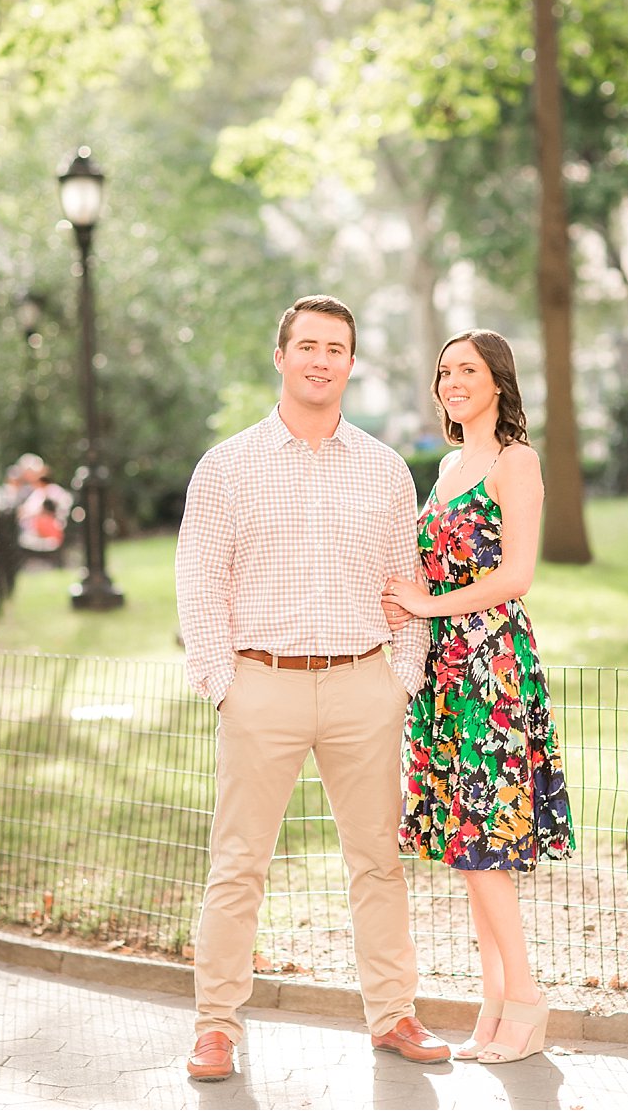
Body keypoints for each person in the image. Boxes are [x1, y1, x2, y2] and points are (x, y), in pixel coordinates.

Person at [175, 294, 448, 1081]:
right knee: (238, 865)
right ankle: (216, 1025)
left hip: (366, 685)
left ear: (351, 363)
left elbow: (407, 585)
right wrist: (224, 684)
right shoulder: (226, 466)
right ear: (281, 356)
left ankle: (393, 1013)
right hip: (261, 686)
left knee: (377, 862)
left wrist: (402, 678)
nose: (321, 359)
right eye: (308, 346)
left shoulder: (385, 468)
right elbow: (199, 582)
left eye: (336, 348)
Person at [382, 328, 575, 1064]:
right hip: (446, 672)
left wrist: (429, 607)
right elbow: (440, 570)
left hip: (491, 665)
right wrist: (414, 600)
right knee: (467, 842)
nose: (452, 380)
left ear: (498, 381)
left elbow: (518, 573)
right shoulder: (447, 468)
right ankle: (495, 996)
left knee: (485, 837)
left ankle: (524, 995)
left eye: (467, 369)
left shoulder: (515, 462)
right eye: (443, 371)